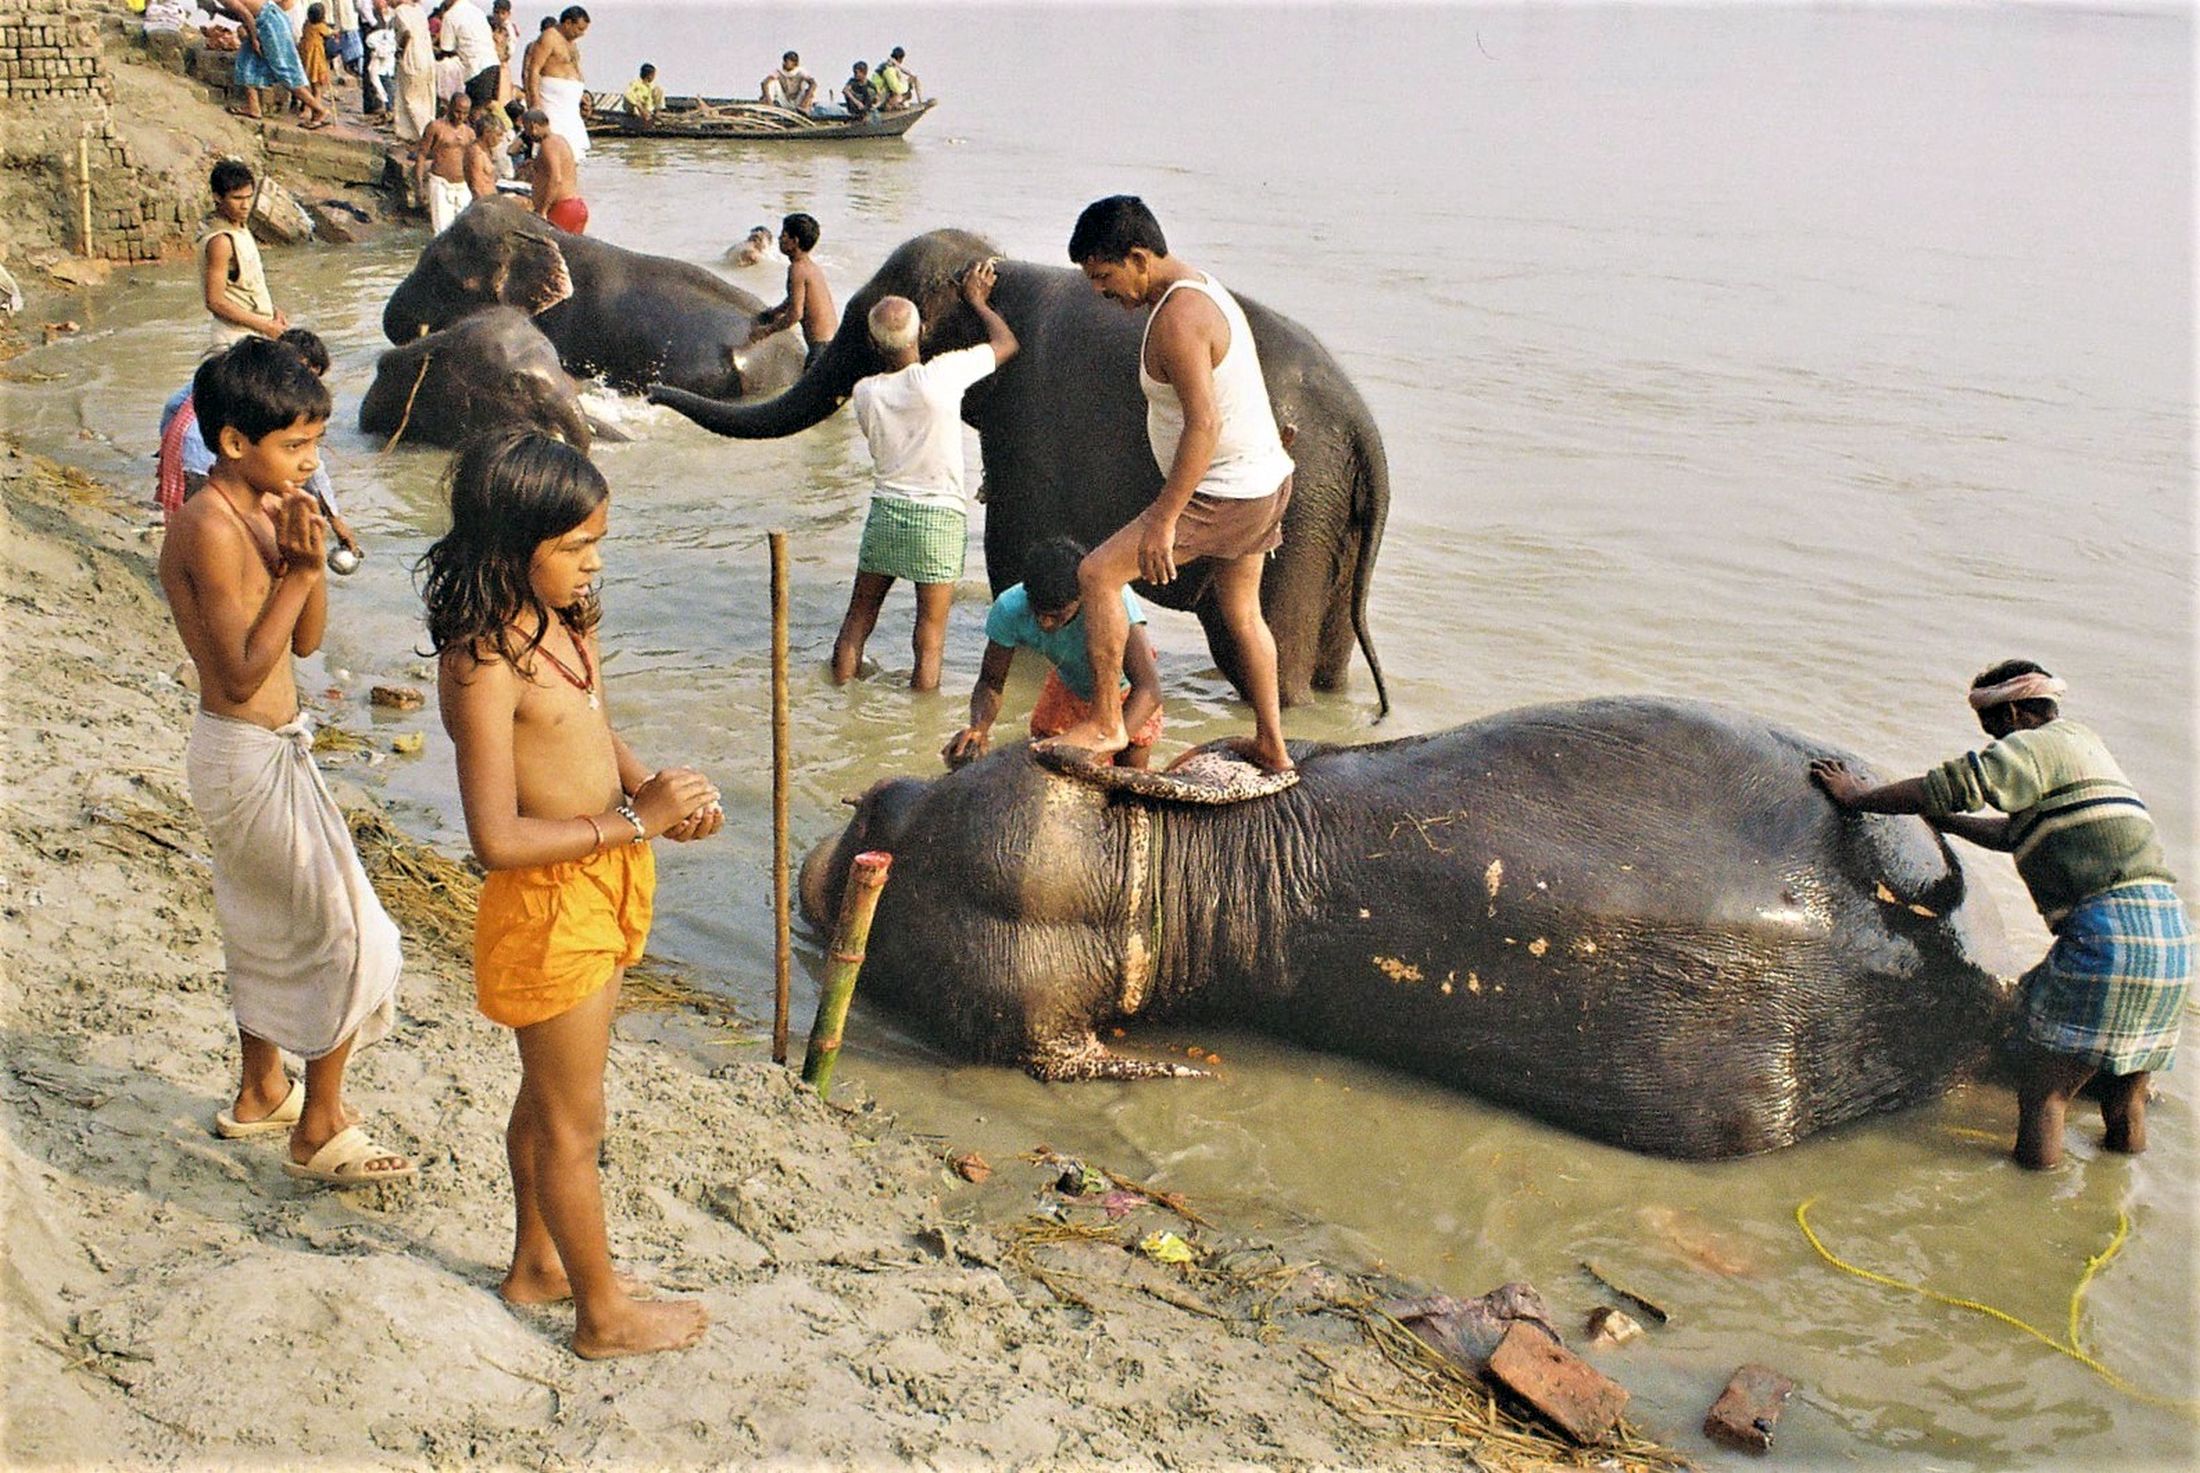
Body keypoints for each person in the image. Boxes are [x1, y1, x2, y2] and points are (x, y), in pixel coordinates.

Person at [422, 430, 722, 1358]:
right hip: (548, 900)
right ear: (516, 547)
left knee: (548, 1095)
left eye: (598, 541)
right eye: (578, 545)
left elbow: (595, 724)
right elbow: (496, 837)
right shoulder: (482, 664)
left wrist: (651, 793)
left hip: (602, 876)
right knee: (572, 1117)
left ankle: (537, 1264)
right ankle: (602, 1313)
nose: (594, 561)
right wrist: (632, 824)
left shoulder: (565, 624)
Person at [157, 338, 413, 1187]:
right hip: (242, 749)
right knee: (350, 936)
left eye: (316, 444)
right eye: (297, 446)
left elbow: (305, 640)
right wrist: (298, 568)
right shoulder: (207, 525)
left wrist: (309, 556)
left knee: (263, 921)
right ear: (234, 442)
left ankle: (264, 1086)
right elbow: (236, 673)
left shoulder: (265, 513)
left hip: (270, 744)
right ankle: (319, 1123)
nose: (314, 461)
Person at [1811, 662, 2189, 1172]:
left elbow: (1955, 783)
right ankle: (2124, 1184)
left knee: (2045, 1095)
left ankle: (2035, 1204)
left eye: (1989, 726)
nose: (1989, 737)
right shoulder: (2084, 748)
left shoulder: (2036, 746)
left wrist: (1860, 797)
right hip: (2169, 934)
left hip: (2108, 935)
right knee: (2126, 1096)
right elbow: (2013, 835)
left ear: (2011, 712)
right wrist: (1944, 823)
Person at [1055, 195, 1297, 772]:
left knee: (1097, 575)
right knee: (1241, 612)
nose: (1100, 291)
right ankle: (1273, 744)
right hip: (1262, 481)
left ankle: (1109, 723)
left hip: (1226, 491)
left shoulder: (1179, 319)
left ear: (1139, 258)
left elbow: (1203, 423)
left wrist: (1164, 517)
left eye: (1104, 276)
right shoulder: (1196, 286)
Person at [832, 261, 1017, 689]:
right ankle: (920, 718)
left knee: (857, 622)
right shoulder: (943, 375)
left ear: (875, 344)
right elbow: (1006, 343)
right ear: (921, 332)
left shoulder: (865, 393)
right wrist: (976, 302)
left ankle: (840, 696)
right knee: (929, 639)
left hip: (886, 513)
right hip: (938, 518)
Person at [944, 536, 1164, 771]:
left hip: (1125, 692)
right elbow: (991, 681)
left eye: (1058, 615)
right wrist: (979, 727)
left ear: (1081, 598)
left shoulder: (1111, 599)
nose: (1045, 623)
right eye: (1038, 611)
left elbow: (1148, 690)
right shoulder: (1010, 607)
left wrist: (1108, 745)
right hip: (1069, 684)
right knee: (1043, 758)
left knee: (1125, 778)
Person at [159, 329, 363, 570]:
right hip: (197, 458)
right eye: (305, 375)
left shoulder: (268, 508)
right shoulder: (215, 530)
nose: (312, 462)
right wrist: (304, 573)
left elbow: (173, 405)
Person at [198, 159, 286, 350]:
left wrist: (272, 312)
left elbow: (247, 286)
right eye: (237, 198)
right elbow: (214, 301)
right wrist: (265, 325)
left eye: (249, 197)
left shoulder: (240, 228)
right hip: (235, 339)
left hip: (255, 332)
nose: (245, 205)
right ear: (217, 197)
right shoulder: (221, 241)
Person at [217, 0, 333, 126]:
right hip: (261, 21)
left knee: (284, 71)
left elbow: (246, 14)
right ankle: (253, 107)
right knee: (246, 61)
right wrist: (216, 10)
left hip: (270, 22)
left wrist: (255, 38)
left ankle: (318, 109)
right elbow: (240, 13)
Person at [745, 212, 836, 366]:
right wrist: (775, 311)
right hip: (832, 343)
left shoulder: (797, 269)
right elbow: (795, 298)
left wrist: (766, 331)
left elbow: (795, 313)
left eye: (783, 235)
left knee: (809, 389)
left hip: (819, 349)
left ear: (795, 241)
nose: (780, 239)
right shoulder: (812, 267)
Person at [524, 5, 590, 162]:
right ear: (568, 23)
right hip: (552, 104)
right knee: (551, 155)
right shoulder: (549, 37)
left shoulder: (572, 43)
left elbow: (574, 71)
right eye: (579, 29)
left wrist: (582, 95)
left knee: (573, 157)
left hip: (571, 110)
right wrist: (535, 104)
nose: (581, 34)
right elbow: (533, 70)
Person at [415, 90, 475, 234]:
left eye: (465, 113)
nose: (461, 116)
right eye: (457, 112)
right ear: (449, 108)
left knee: (463, 232)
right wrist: (419, 186)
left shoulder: (470, 133)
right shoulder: (436, 127)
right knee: (441, 232)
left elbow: (473, 161)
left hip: (462, 186)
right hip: (440, 183)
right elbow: (422, 155)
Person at [518, 108, 585, 233]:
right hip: (575, 205)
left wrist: (544, 209)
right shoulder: (559, 140)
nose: (527, 135)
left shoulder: (548, 144)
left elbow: (556, 178)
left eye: (526, 129)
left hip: (562, 208)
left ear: (534, 126)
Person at [434, 0, 499, 108]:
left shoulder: (450, 15)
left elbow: (446, 51)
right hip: (493, 64)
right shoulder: (477, 11)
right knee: (486, 109)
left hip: (476, 69)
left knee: (474, 113)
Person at [389, 0, 436, 141]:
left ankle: (425, 138)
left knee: (411, 100)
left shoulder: (401, 11)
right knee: (425, 100)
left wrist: (401, 49)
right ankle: (415, 136)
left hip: (412, 58)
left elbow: (406, 33)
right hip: (426, 59)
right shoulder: (419, 10)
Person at [464, 102, 510, 196]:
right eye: (498, 135)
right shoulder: (476, 154)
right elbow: (476, 186)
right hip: (483, 203)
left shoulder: (487, 151)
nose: (500, 139)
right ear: (487, 132)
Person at [363, 10, 396, 121]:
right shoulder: (377, 36)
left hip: (386, 60)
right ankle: (388, 107)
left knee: (385, 82)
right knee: (378, 81)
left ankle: (390, 108)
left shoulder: (389, 33)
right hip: (380, 59)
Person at [298, 4, 333, 97]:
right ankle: (316, 104)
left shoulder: (307, 24)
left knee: (308, 76)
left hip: (304, 52)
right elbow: (328, 33)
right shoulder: (320, 26)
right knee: (317, 81)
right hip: (316, 56)